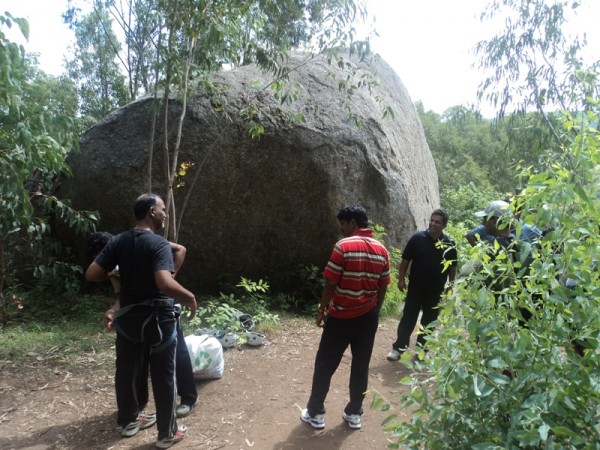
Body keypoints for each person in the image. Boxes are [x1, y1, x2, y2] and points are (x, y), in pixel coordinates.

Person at [85, 193, 196, 449]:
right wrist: (189, 297)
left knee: (126, 370)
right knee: (163, 374)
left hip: (128, 320)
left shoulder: (119, 241)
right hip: (158, 318)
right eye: (162, 209)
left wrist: (117, 278)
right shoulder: (157, 244)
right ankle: (168, 434)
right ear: (151, 212)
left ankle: (129, 421)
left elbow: (92, 273)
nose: (165, 214)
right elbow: (164, 283)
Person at [300, 205, 391, 431]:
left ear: (352, 223)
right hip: (368, 318)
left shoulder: (343, 246)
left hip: (341, 316)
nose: (341, 228)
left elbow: (331, 282)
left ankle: (316, 412)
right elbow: (383, 287)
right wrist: (375, 311)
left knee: (325, 364)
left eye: (343, 223)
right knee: (361, 366)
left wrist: (322, 309)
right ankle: (354, 413)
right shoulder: (382, 250)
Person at [387, 209, 457, 361]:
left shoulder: (449, 244)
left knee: (429, 321)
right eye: (431, 220)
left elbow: (452, 268)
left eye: (437, 222)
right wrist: (401, 279)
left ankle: (421, 352)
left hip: (436, 290)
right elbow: (406, 259)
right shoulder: (417, 238)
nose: (432, 223)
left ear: (444, 225)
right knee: (408, 318)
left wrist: (450, 287)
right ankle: (398, 348)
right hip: (415, 288)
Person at [465, 200, 542, 246]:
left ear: (495, 221)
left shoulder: (529, 231)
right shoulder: (507, 241)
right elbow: (469, 235)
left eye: (485, 219)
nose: (483, 223)